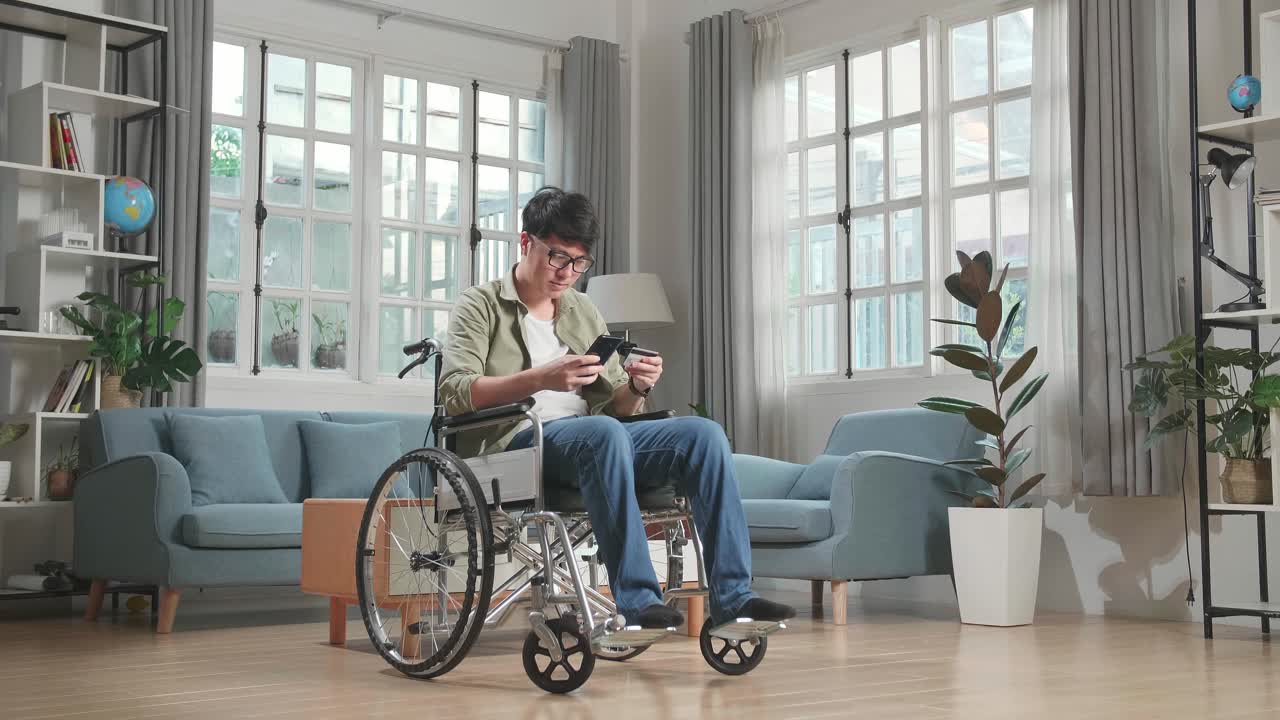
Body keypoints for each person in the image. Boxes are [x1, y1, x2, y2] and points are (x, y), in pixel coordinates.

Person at [438, 186, 795, 630]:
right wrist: (541, 379)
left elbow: (612, 406)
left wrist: (638, 387)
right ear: (526, 242)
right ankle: (637, 602)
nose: (567, 272)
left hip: (591, 442)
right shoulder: (481, 304)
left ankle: (734, 597)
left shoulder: (583, 310)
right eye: (557, 257)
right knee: (601, 434)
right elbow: (455, 391)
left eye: (579, 262)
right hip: (516, 443)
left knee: (703, 435)